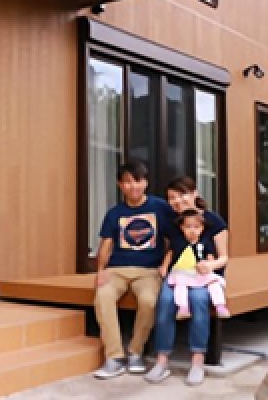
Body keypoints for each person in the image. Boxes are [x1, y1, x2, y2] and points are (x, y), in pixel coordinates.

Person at [92, 160, 175, 379]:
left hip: (149, 270)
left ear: (145, 182)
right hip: (117, 268)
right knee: (103, 297)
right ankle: (114, 357)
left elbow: (175, 239)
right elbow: (106, 244)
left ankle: (136, 352)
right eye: (127, 182)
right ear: (120, 185)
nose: (133, 186)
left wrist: (165, 265)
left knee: (148, 300)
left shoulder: (160, 208)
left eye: (138, 181)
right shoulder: (114, 213)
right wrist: (100, 270)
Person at [145, 176, 229, 386]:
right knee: (165, 301)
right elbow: (170, 251)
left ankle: (197, 361)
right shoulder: (172, 223)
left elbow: (224, 257)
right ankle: (162, 360)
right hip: (178, 275)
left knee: (199, 300)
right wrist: (163, 268)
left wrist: (210, 265)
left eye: (182, 195)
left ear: (194, 194)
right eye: (172, 197)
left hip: (204, 276)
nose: (177, 201)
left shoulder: (214, 221)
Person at [161, 208, 229, 320]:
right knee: (179, 286)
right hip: (182, 272)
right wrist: (164, 267)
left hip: (199, 272)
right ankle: (183, 308)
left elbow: (210, 256)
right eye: (188, 227)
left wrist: (209, 264)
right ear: (182, 227)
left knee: (214, 283)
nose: (192, 230)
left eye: (196, 227)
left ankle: (220, 306)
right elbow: (170, 254)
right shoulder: (178, 241)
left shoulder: (205, 242)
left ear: (202, 228)